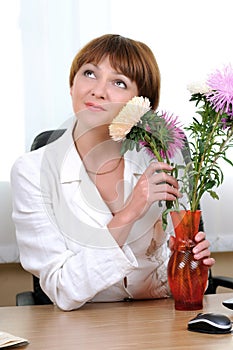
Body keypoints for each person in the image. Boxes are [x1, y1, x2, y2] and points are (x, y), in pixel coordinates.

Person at [11, 34, 215, 311]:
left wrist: (190, 266)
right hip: (81, 328)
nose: (98, 91)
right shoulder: (32, 172)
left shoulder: (167, 158)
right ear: (72, 85)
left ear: (142, 105)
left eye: (118, 82)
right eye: (89, 73)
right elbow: (62, 289)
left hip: (161, 323)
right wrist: (130, 212)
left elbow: (180, 282)